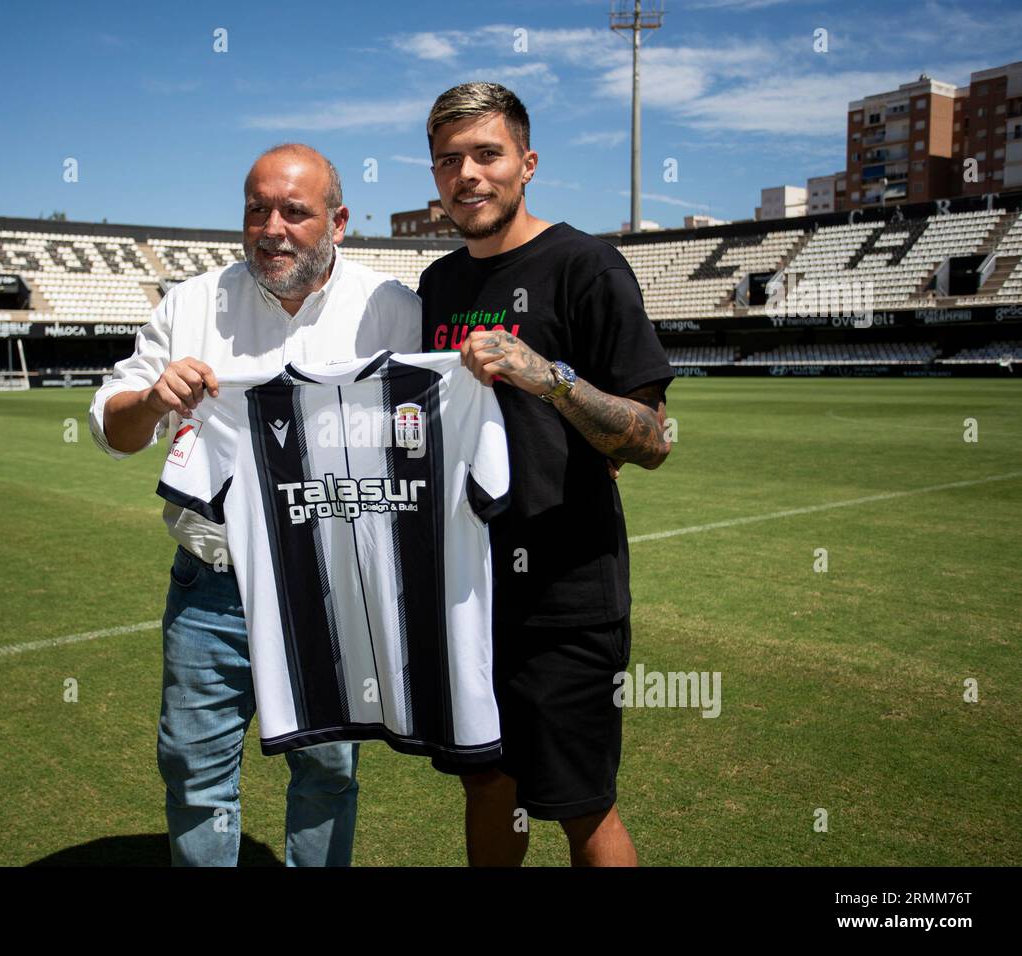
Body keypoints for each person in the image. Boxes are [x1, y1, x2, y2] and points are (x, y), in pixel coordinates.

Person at [89, 144, 421, 866]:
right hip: (215, 586)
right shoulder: (191, 303)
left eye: (294, 212)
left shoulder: (393, 309)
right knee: (193, 768)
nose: (271, 227)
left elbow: (420, 437)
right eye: (256, 209)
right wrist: (151, 400)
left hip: (334, 585)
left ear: (339, 220)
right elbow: (110, 429)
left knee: (329, 771)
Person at [417, 82, 675, 867]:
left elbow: (651, 439)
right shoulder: (437, 284)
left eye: (487, 154)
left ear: (526, 163)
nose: (469, 174)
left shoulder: (586, 265)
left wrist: (548, 376)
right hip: (468, 587)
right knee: (487, 783)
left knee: (579, 806)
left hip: (566, 589)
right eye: (449, 160)